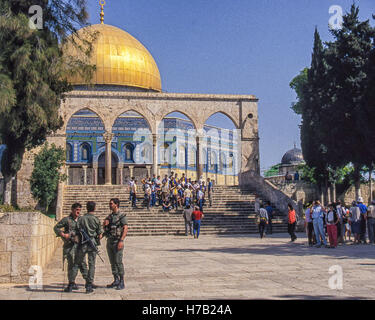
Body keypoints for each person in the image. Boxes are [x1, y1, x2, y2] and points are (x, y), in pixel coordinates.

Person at [53, 203, 88, 292]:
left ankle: (88, 282)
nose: (78, 212)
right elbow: (56, 227)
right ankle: (71, 282)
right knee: (71, 264)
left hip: (80, 245)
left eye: (79, 210)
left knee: (83, 263)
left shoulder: (81, 220)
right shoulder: (66, 220)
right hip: (70, 246)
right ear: (72, 210)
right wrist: (63, 234)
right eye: (76, 210)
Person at [71, 201, 103, 293]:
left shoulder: (81, 219)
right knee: (92, 264)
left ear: (86, 208)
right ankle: (89, 284)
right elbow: (100, 234)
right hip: (92, 243)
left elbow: (76, 230)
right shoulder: (96, 219)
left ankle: (71, 282)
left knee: (77, 263)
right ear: (94, 208)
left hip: (82, 243)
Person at [103, 198, 128, 290]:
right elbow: (105, 229)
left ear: (116, 204)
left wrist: (121, 240)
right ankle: (115, 279)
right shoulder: (109, 216)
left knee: (118, 261)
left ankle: (122, 281)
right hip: (110, 241)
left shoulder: (122, 216)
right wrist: (104, 224)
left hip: (117, 241)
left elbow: (125, 228)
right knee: (112, 262)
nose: (110, 205)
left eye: (111, 204)